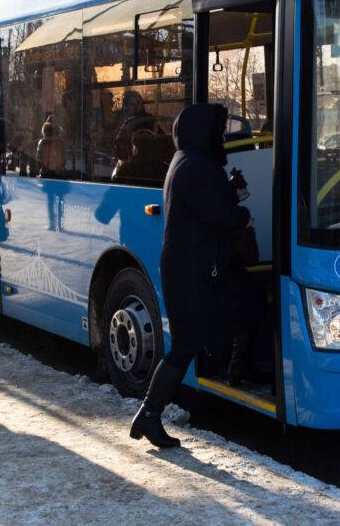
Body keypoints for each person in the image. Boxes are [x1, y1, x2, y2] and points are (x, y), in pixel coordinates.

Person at [129, 103, 260, 448]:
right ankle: (149, 415)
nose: (221, 136)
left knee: (247, 298)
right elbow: (217, 214)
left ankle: (238, 367)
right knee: (185, 344)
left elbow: (206, 207)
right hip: (193, 270)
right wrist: (242, 213)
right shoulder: (197, 165)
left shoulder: (188, 160)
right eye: (217, 130)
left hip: (194, 265)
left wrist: (229, 192)